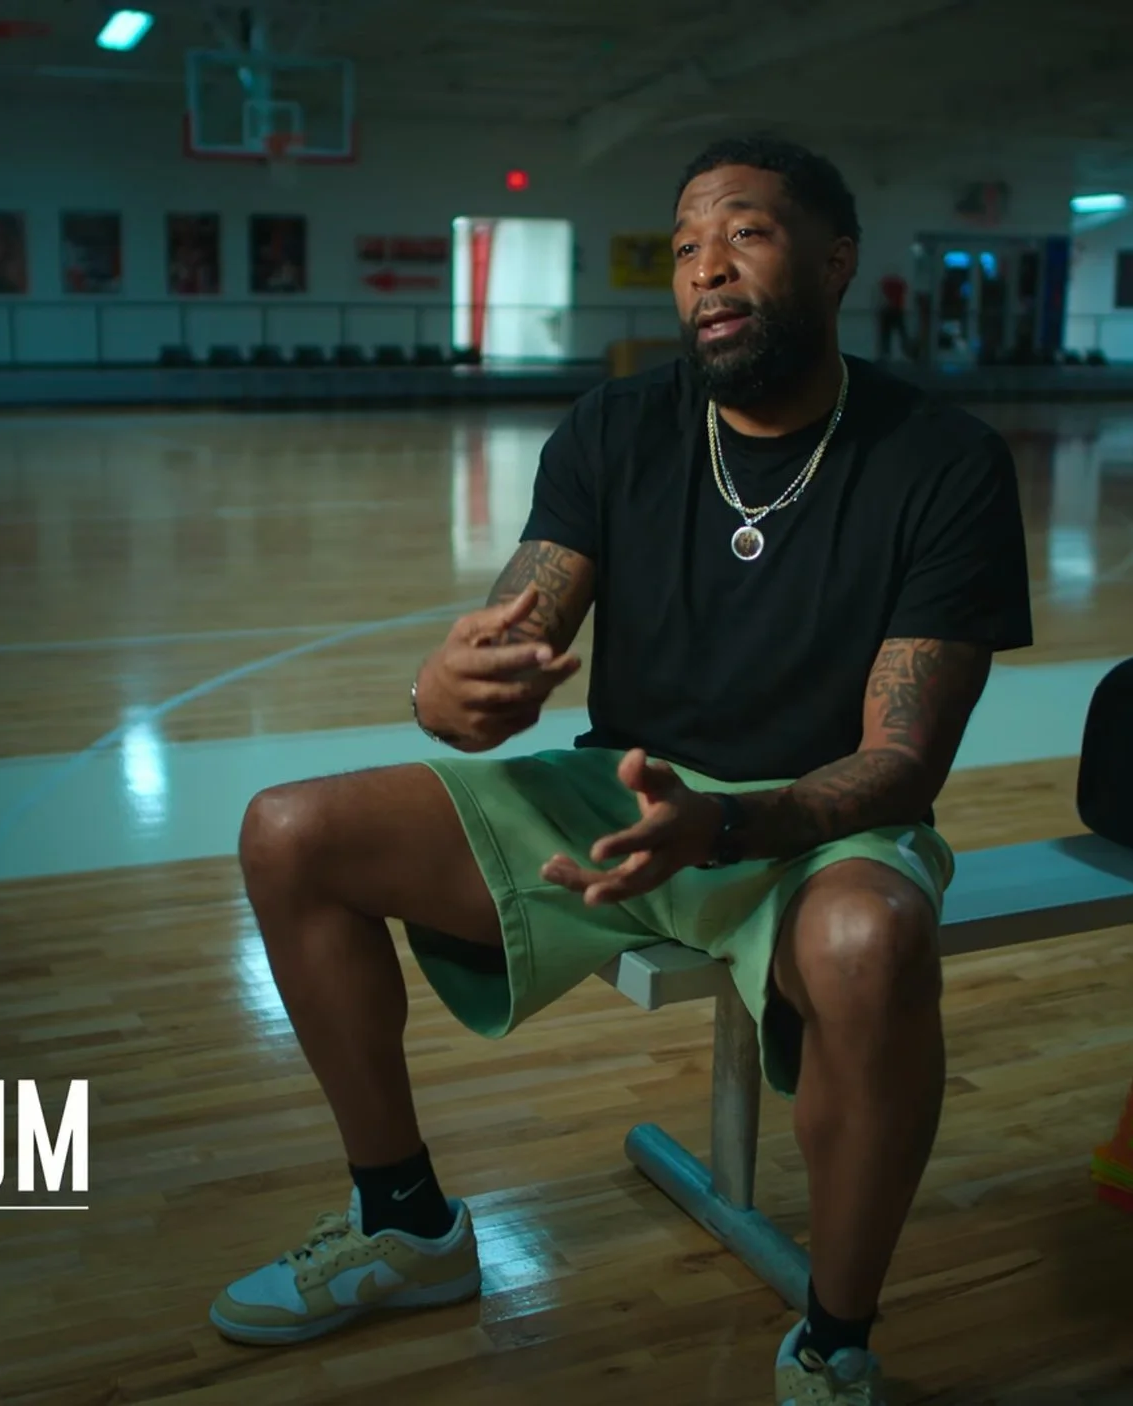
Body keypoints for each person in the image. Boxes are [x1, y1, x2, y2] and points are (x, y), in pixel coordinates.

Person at [210, 133, 1033, 1405]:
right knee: (288, 831)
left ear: (834, 261)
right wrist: (448, 691)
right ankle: (406, 1224)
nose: (707, 268)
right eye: (687, 245)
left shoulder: (944, 459)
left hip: (813, 828)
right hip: (627, 797)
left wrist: (727, 825)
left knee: (872, 941)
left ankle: (833, 1340)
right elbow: (515, 631)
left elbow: (900, 760)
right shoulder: (616, 427)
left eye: (745, 233)